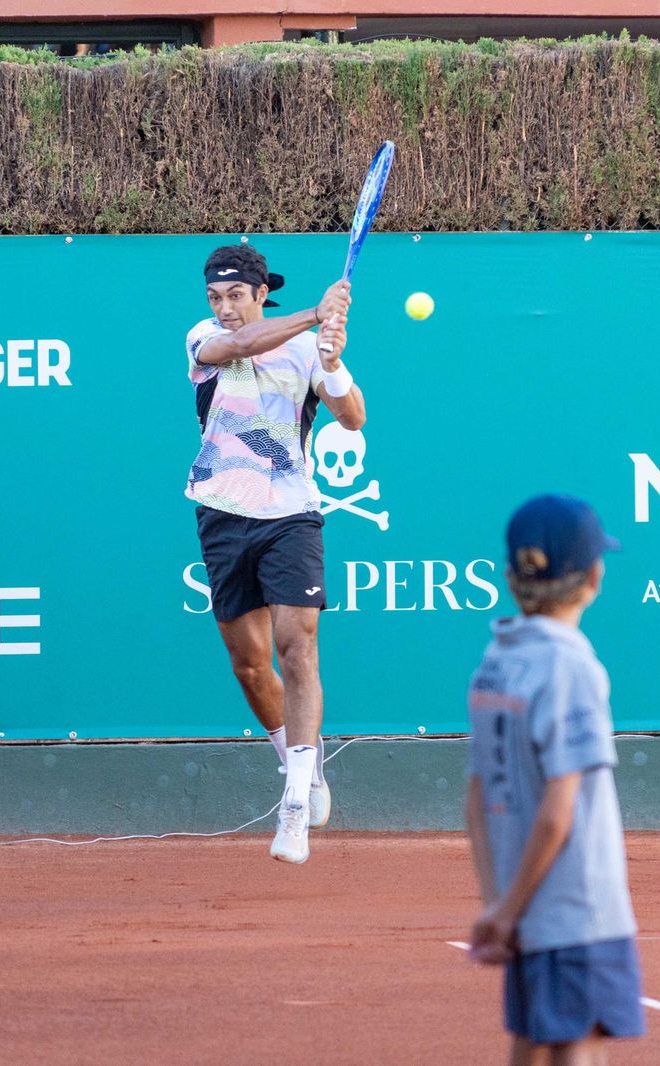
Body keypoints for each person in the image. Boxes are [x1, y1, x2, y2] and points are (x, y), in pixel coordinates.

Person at [185, 243, 362, 864]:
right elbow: (238, 347)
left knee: (299, 646)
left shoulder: (306, 345)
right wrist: (318, 315)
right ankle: (301, 767)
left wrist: (333, 365)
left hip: (292, 513)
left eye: (236, 295)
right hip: (222, 512)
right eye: (216, 297)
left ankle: (293, 808)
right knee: (252, 666)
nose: (225, 308)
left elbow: (353, 416)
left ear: (262, 292)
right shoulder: (204, 337)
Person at [464, 495, 645, 1065]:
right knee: (576, 1046)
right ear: (593, 575)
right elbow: (558, 812)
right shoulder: (573, 666)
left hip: (526, 902)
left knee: (531, 1043)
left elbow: (476, 800)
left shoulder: (495, 660)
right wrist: (509, 910)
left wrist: (499, 902)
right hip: (578, 907)